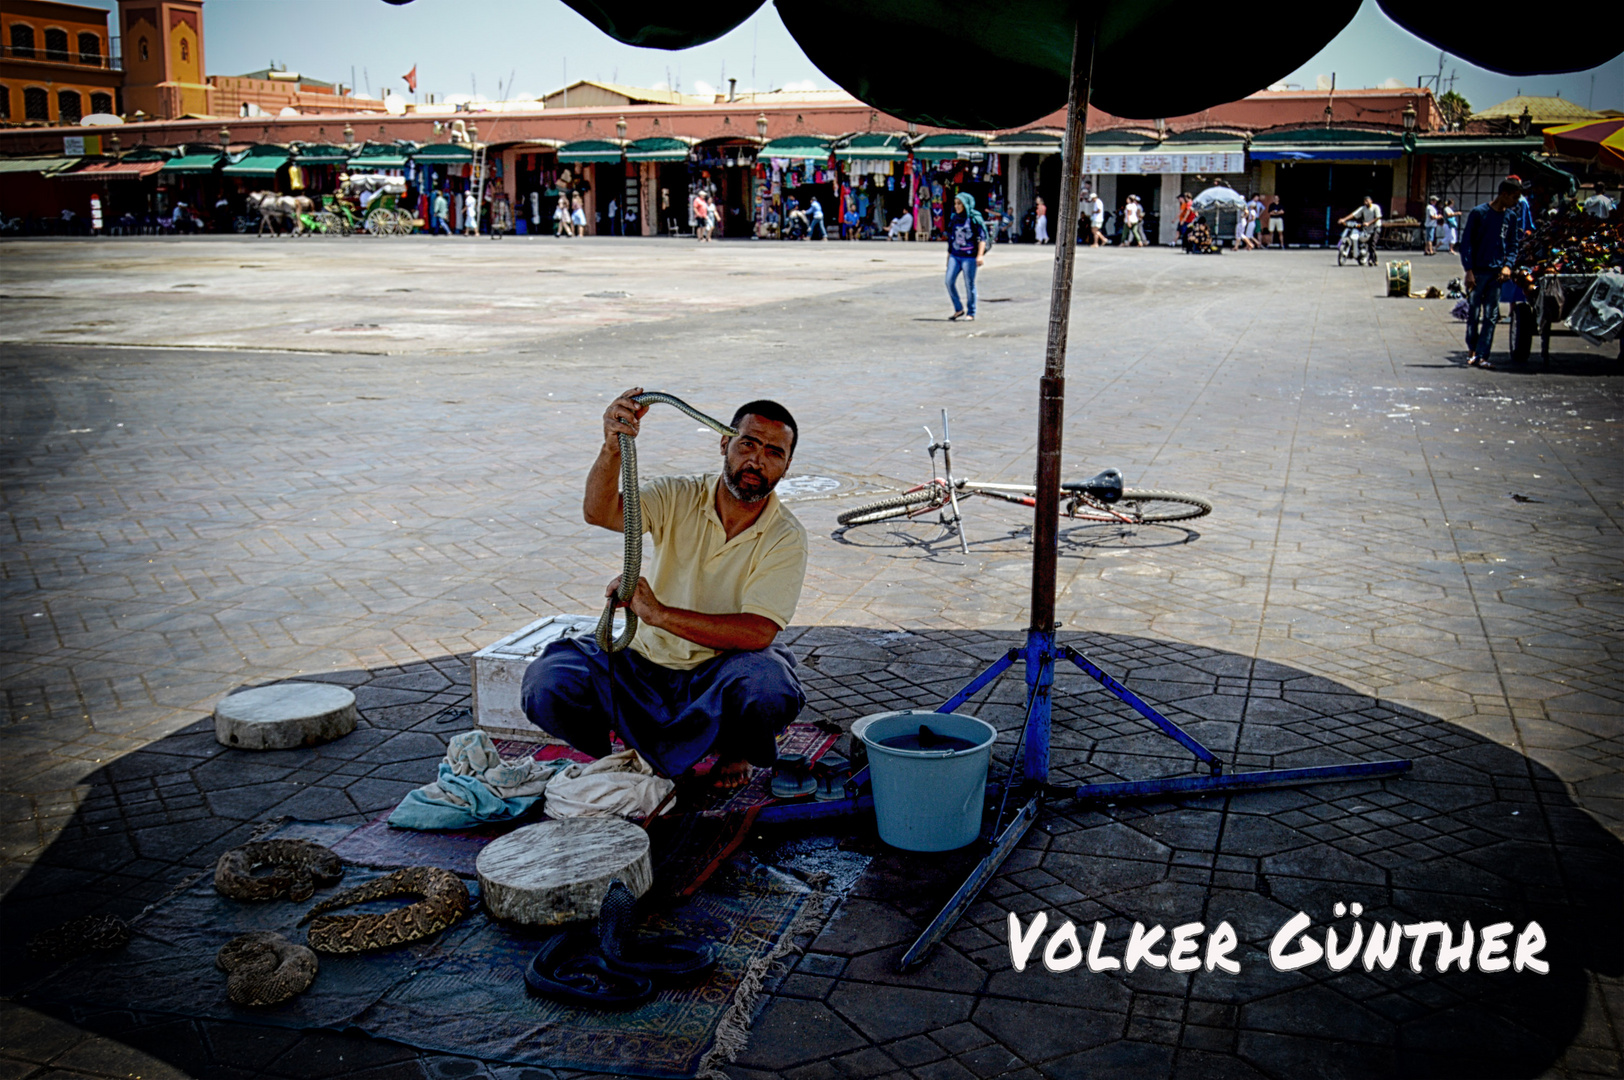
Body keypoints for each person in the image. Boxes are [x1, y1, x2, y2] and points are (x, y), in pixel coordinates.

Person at [522, 389, 808, 790]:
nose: (757, 461)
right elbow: (599, 512)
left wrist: (658, 613)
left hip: (720, 668)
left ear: (787, 466)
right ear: (724, 443)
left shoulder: (786, 536)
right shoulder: (678, 494)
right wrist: (612, 447)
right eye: (748, 443)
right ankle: (625, 758)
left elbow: (758, 632)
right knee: (547, 683)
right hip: (643, 660)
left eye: (774, 453)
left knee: (769, 686)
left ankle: (734, 749)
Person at [1458, 178, 1525, 369]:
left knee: (1491, 315)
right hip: (1478, 272)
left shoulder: (1511, 217)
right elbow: (1466, 244)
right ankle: (1472, 349)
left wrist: (1508, 266)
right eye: (1514, 197)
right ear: (1503, 194)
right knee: (1473, 313)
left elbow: (1513, 245)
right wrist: (1468, 270)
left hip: (1497, 273)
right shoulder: (1479, 213)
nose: (1516, 201)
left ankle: (1482, 355)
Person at [945, 192, 987, 322]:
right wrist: (948, 255)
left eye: (960, 204)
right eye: (956, 204)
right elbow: (951, 239)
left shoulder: (974, 218)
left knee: (969, 284)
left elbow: (982, 238)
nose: (957, 207)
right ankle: (958, 308)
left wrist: (980, 255)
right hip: (955, 256)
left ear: (966, 204)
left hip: (969, 257)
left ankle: (971, 311)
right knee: (949, 281)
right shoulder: (954, 218)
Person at [1337, 195, 1382, 265]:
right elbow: (1353, 214)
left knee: (1372, 244)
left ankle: (1373, 260)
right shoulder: (1363, 208)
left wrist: (1368, 223)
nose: (1365, 202)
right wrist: (1344, 219)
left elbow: (1378, 217)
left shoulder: (1375, 207)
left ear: (1371, 201)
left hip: (1376, 228)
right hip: (1367, 229)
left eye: (1367, 201)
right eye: (1365, 201)